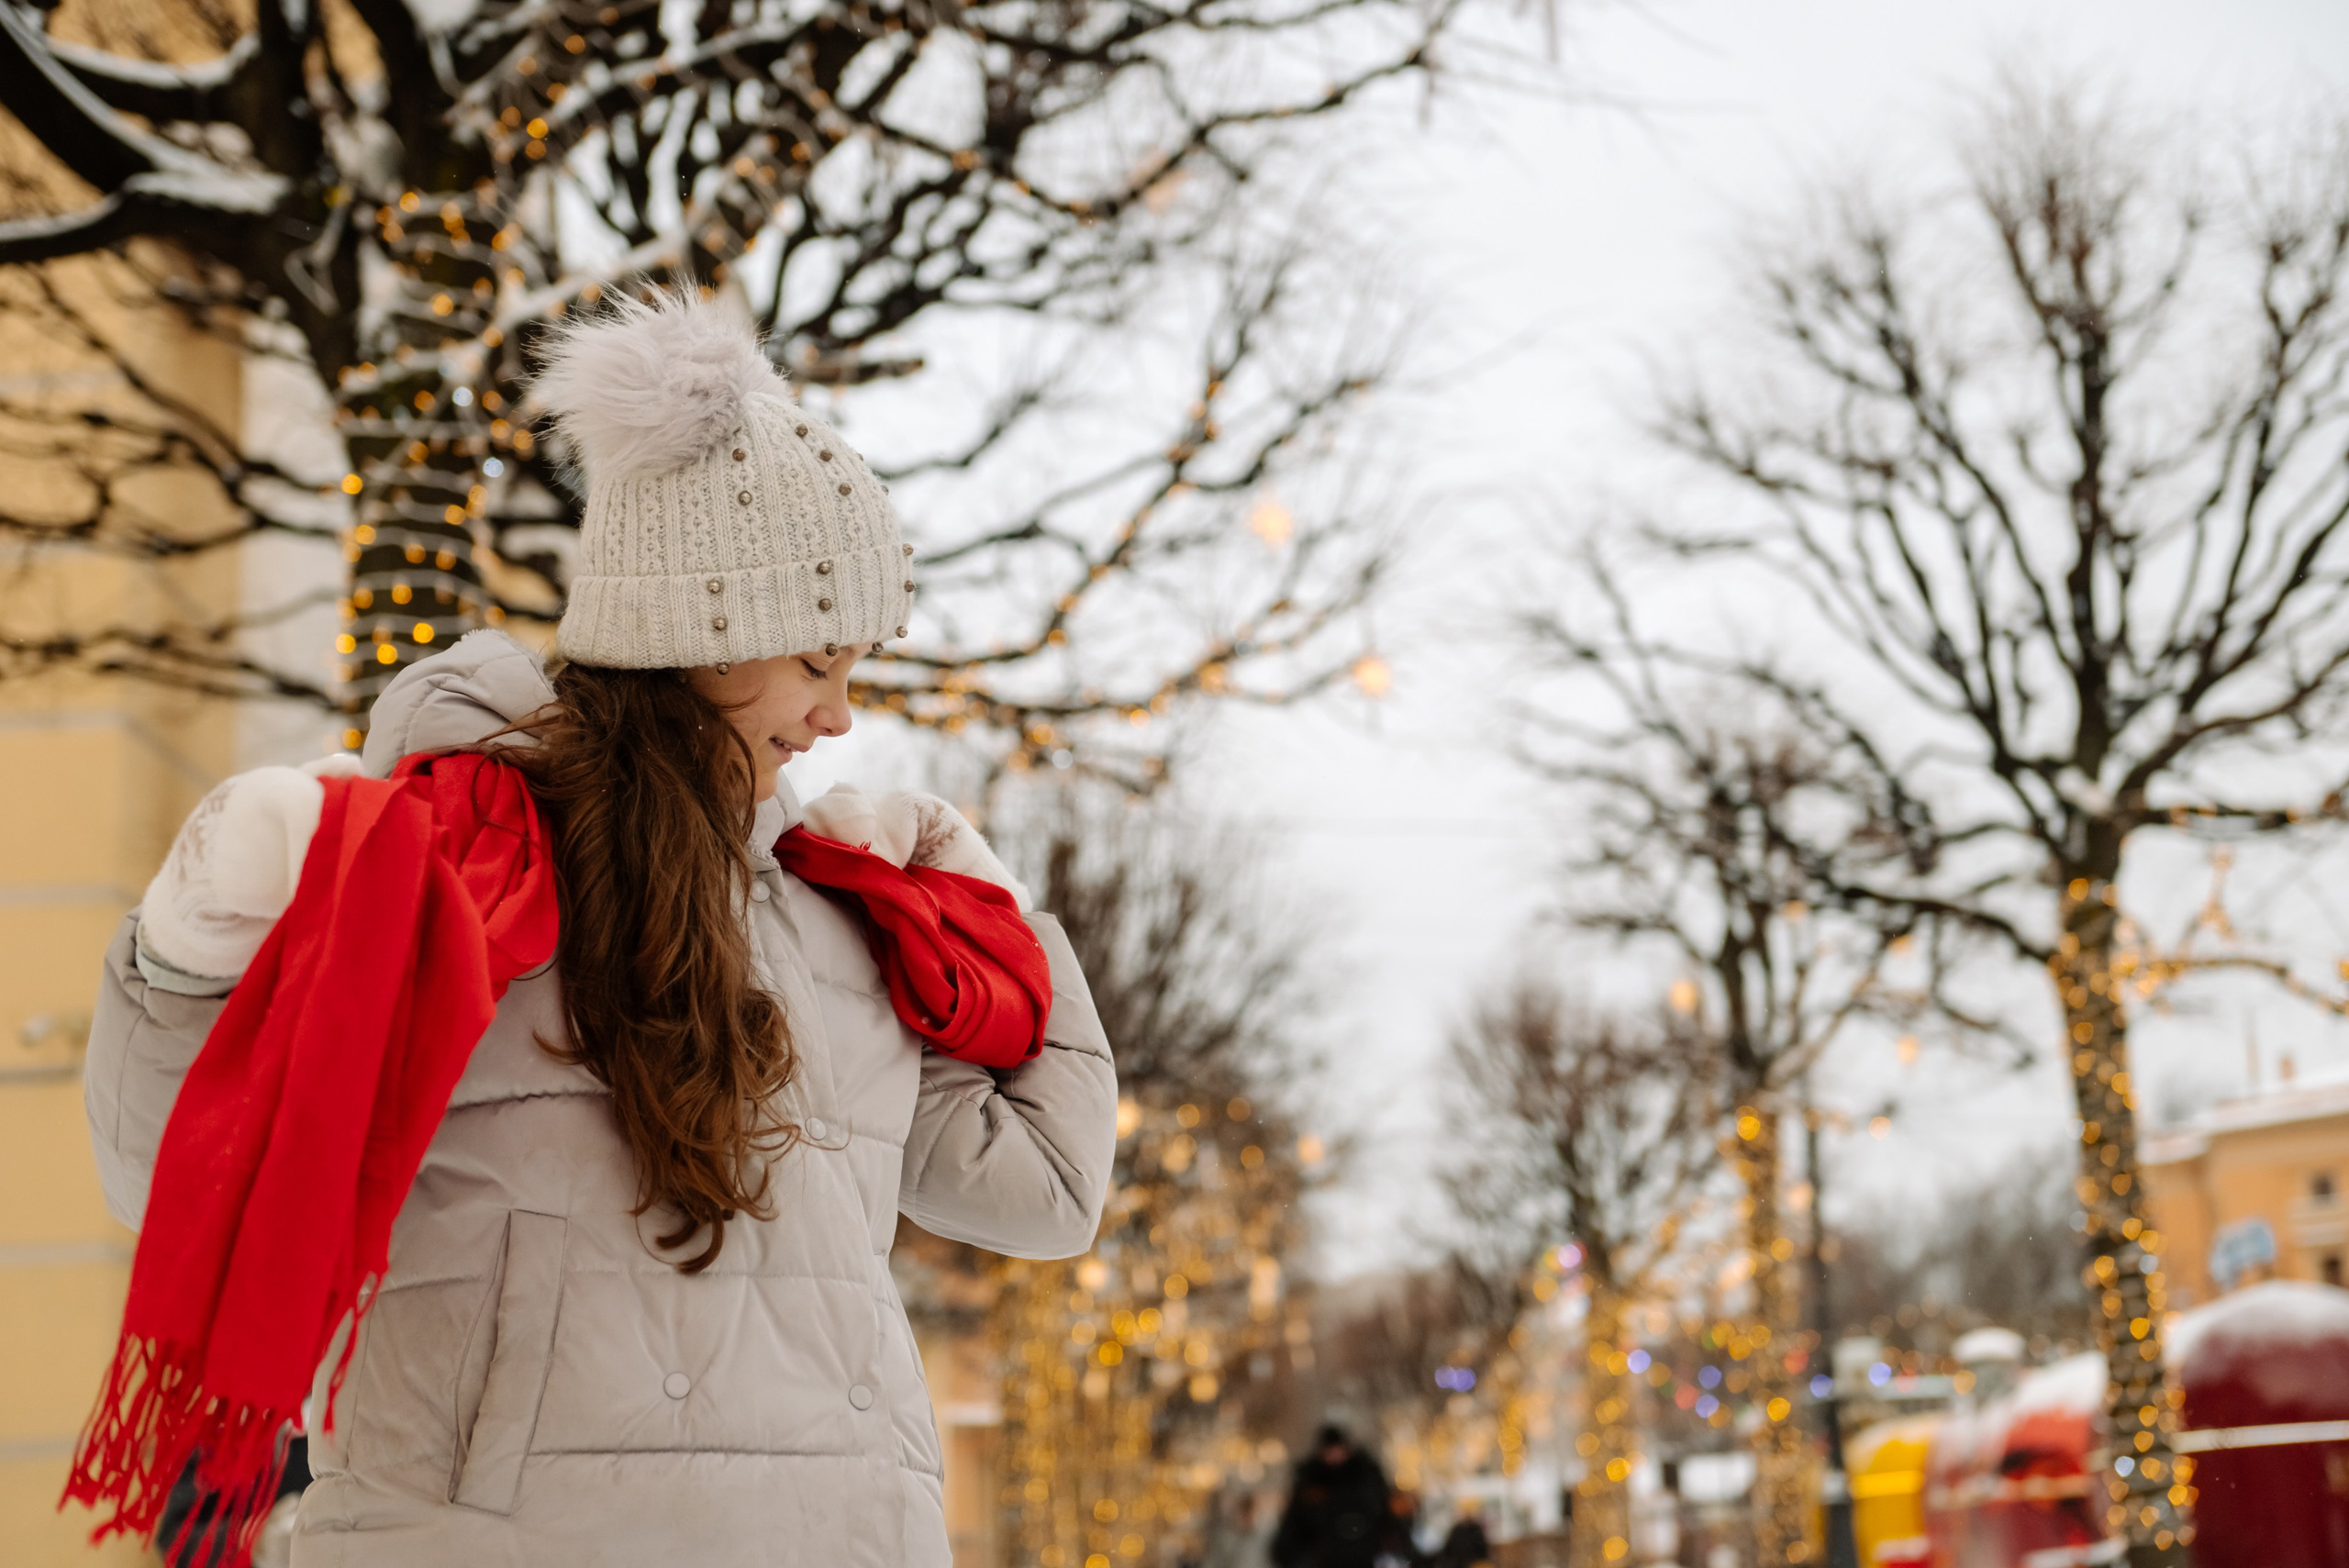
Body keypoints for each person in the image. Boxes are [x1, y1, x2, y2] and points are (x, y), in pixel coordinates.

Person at [77, 292, 1119, 1566]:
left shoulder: (831, 914)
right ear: (702, 630)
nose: (840, 715)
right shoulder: (459, 870)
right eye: (816, 663)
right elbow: (174, 1171)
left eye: (856, 673)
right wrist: (194, 945)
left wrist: (1001, 916)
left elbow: (1050, 1191)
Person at [1273, 1426, 1397, 1568]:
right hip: (1323, 1558)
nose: (1334, 1456)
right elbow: (1295, 1520)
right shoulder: (1311, 1480)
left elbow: (1384, 1513)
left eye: (1337, 1450)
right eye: (1329, 1451)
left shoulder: (1365, 1477)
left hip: (1363, 1556)